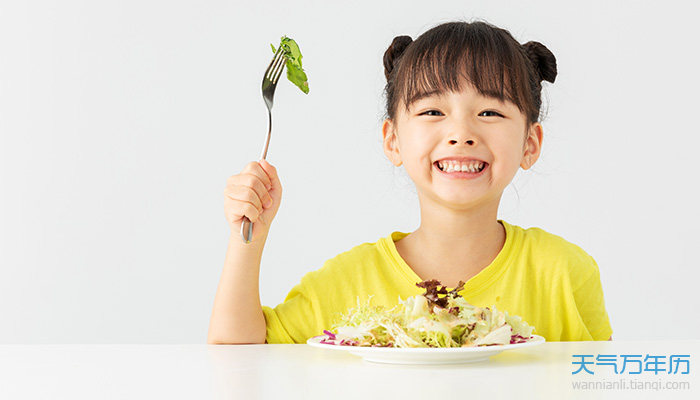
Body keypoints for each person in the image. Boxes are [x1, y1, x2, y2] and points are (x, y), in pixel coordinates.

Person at [207, 19, 613, 345]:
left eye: (489, 112)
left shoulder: (565, 273)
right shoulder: (349, 282)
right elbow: (235, 356)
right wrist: (249, 239)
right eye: (433, 111)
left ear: (530, 143)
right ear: (393, 139)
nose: (461, 133)